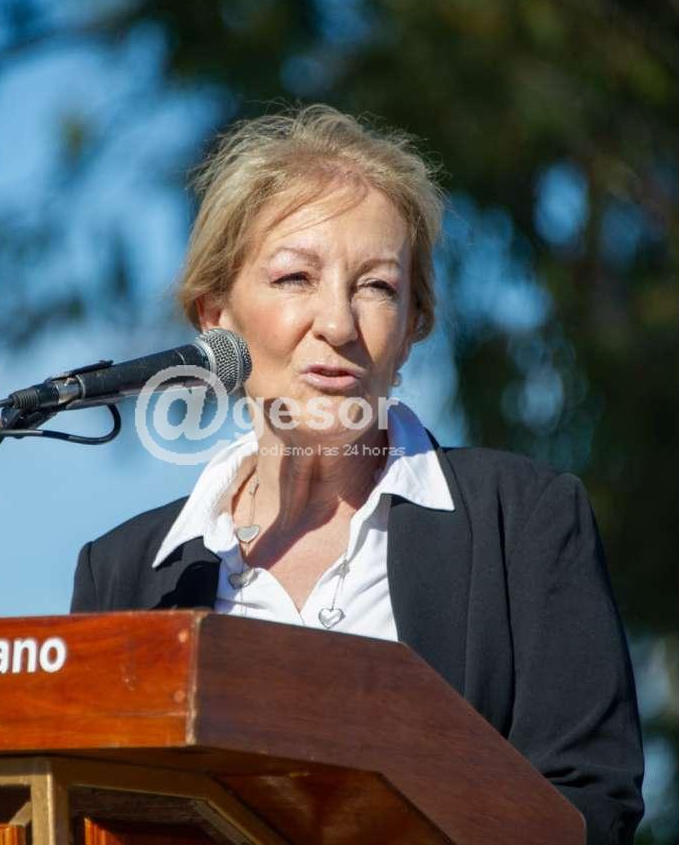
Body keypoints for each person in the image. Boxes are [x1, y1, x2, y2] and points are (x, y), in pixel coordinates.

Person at [70, 104, 644, 845]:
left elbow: (589, 807)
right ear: (217, 318)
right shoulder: (124, 573)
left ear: (412, 326)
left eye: (376, 287)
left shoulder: (524, 521)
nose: (338, 324)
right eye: (295, 277)